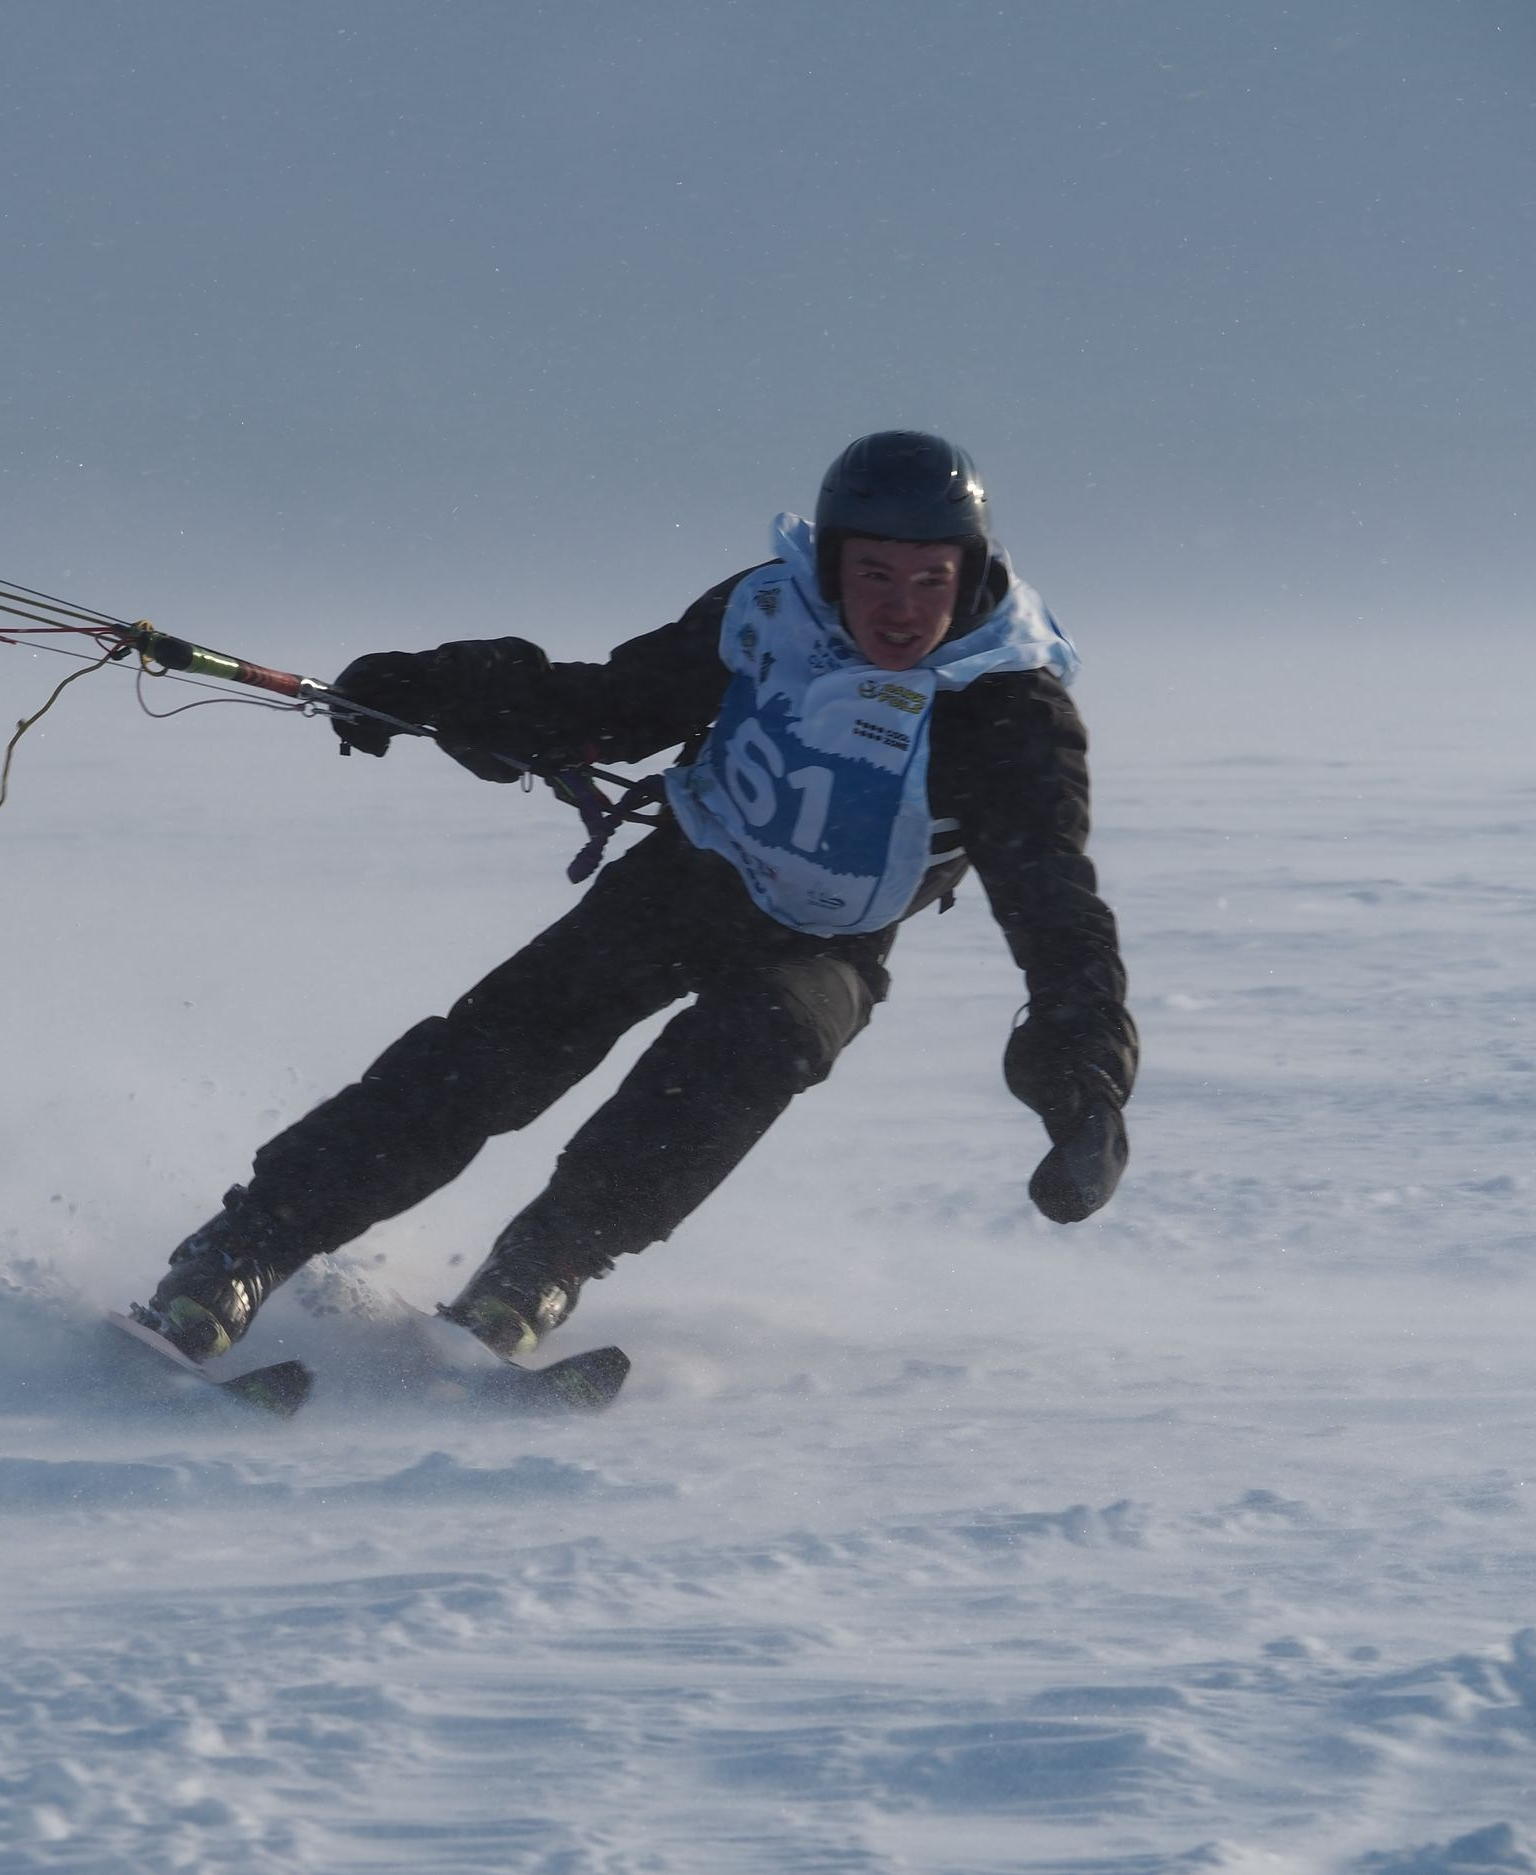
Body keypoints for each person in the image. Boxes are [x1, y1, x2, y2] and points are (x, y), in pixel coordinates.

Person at [129, 431, 1136, 1363]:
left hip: (825, 946)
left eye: (929, 580)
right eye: (874, 573)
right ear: (833, 565)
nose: (900, 606)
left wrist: (1086, 1091)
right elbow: (617, 705)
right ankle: (241, 1250)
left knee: (750, 1057)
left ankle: (534, 1275)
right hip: (683, 881)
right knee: (484, 1064)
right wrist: (436, 690)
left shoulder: (1011, 710)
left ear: (968, 578)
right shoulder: (768, 614)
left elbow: (1056, 906)